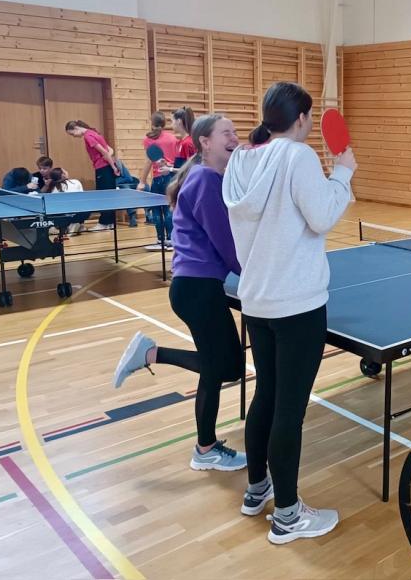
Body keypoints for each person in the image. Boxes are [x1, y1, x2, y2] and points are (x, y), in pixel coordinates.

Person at [223, 81, 356, 545]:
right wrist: (343, 173)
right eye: (309, 117)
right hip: (297, 305)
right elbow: (322, 217)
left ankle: (256, 488)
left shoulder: (241, 160)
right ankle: (287, 516)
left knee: (266, 396)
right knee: (289, 410)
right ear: (301, 119)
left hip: (256, 301)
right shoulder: (298, 157)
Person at [112, 114, 246, 472]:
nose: (235, 138)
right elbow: (226, 243)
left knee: (224, 367)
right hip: (198, 288)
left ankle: (153, 355)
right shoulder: (205, 179)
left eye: (236, 132)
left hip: (197, 287)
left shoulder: (206, 176)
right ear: (205, 142)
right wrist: (255, 275)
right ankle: (205, 448)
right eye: (227, 133)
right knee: (222, 367)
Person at [64, 121, 120, 231]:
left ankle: (103, 223)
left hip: (102, 168)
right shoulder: (94, 133)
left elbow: (104, 152)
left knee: (103, 197)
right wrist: (111, 164)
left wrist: (113, 167)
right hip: (106, 168)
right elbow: (110, 150)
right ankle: (110, 223)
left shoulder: (88, 136)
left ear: (76, 128)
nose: (74, 136)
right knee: (109, 196)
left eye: (72, 133)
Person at [138, 111, 178, 250]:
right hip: (172, 176)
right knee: (169, 208)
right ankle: (171, 240)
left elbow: (149, 161)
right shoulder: (173, 138)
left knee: (156, 209)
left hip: (158, 177)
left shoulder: (148, 139)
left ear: (152, 123)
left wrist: (142, 181)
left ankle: (160, 240)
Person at [44, 167, 89, 234]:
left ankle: (59, 227)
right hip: (77, 215)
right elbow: (82, 199)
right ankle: (75, 224)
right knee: (86, 206)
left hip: (60, 217)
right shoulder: (76, 182)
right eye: (65, 171)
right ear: (63, 175)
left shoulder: (51, 188)